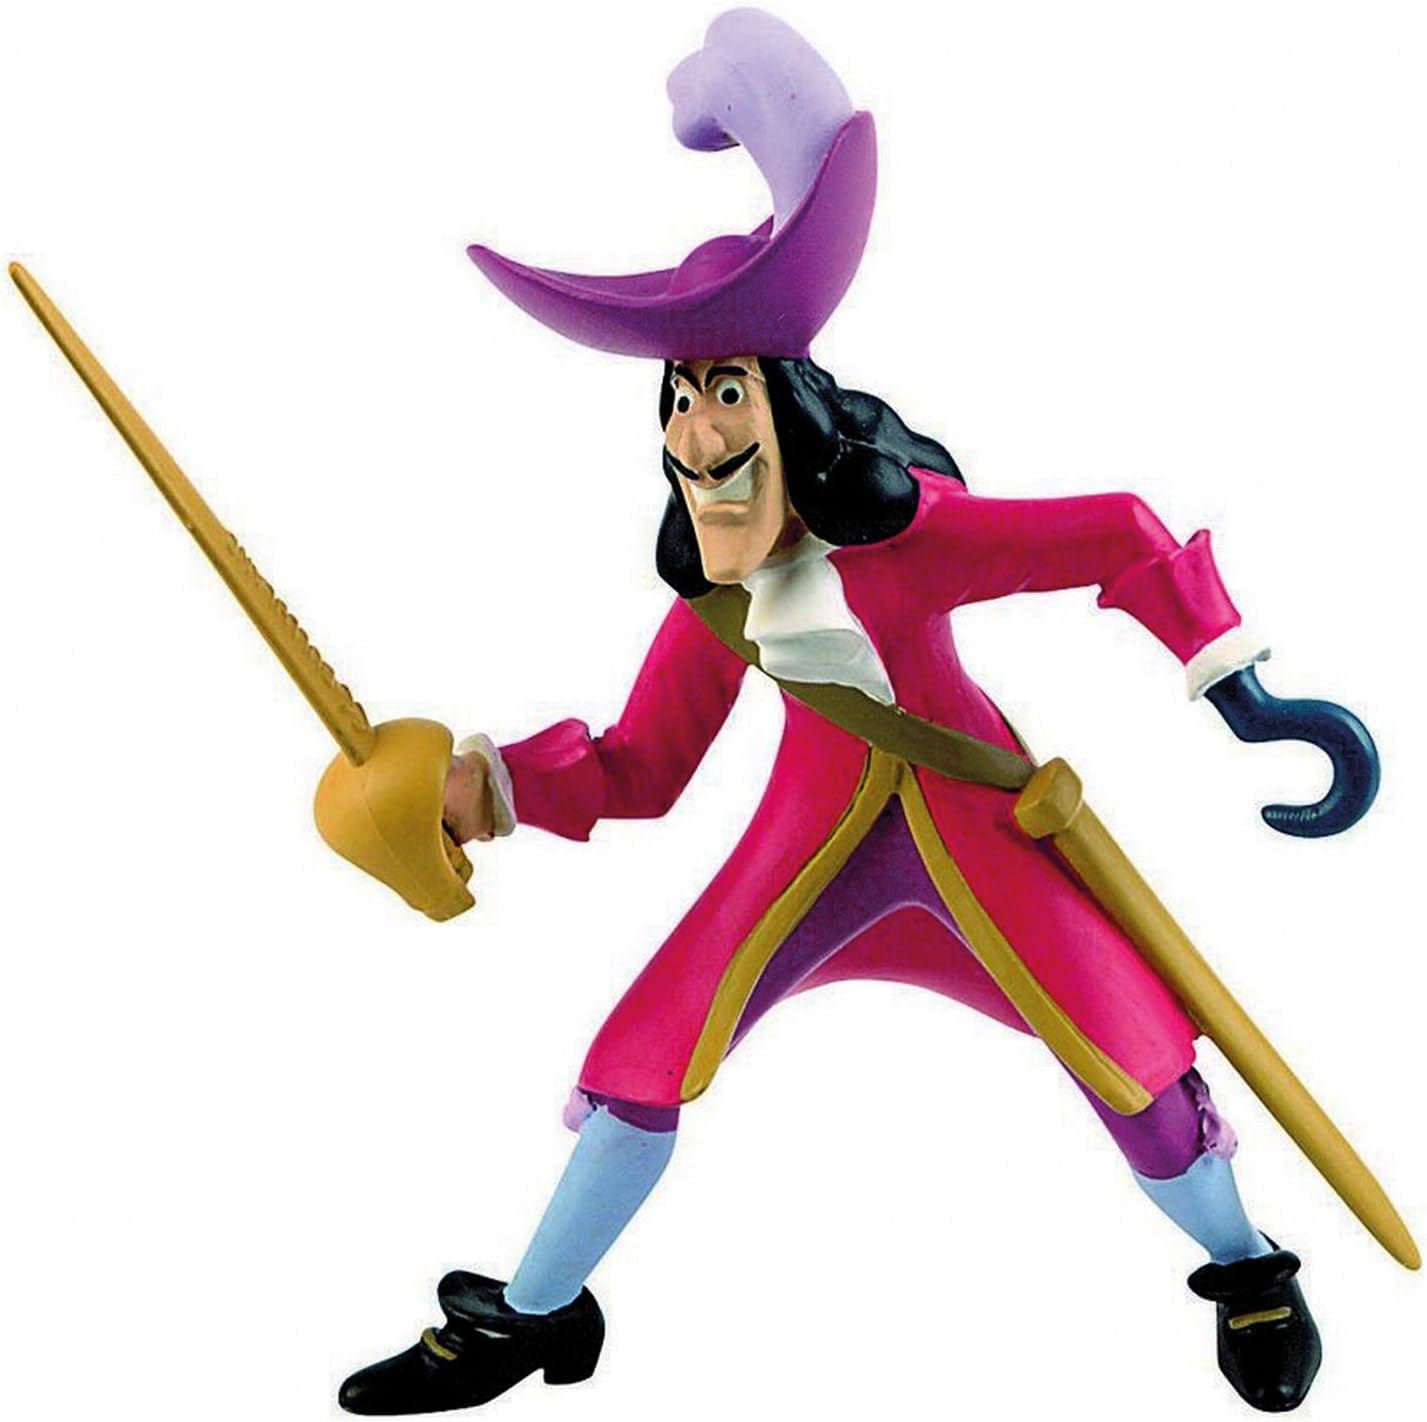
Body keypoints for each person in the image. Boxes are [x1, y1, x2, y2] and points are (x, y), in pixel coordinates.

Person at [338, 12, 1379, 1415]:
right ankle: (529, 1317)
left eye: (723, 393)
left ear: (788, 405)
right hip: (807, 848)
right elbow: (642, 763)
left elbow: (1119, 533)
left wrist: (1243, 692)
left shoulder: (919, 542)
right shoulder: (717, 606)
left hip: (984, 833)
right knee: (645, 1050)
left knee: (1126, 1051)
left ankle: (1246, 1266)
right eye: (678, 400)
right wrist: (489, 788)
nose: (697, 433)